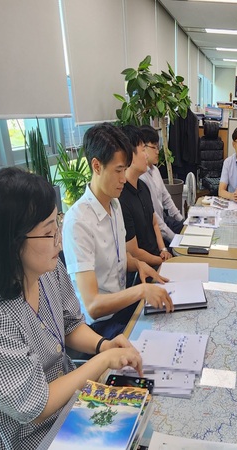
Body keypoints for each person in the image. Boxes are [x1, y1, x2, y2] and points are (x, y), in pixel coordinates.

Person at [0, 167, 143, 449]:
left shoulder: (45, 267)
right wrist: (101, 361)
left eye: (57, 225)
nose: (59, 241)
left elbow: (70, 324)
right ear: (13, 244)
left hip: (61, 401)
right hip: (10, 434)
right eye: (49, 232)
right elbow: (34, 407)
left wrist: (104, 346)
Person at [63, 123, 173, 340]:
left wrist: (139, 264)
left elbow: (118, 258)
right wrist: (141, 291)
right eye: (118, 170)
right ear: (96, 166)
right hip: (100, 326)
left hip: (124, 306)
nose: (124, 178)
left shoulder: (114, 205)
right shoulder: (78, 222)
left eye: (125, 170)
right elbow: (93, 305)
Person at [119, 125, 172, 268]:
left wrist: (163, 250)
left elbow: (154, 222)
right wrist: (162, 261)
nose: (147, 155)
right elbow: (134, 252)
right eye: (143, 150)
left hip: (158, 258)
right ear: (130, 155)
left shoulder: (143, 187)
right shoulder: (121, 198)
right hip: (143, 269)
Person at [139, 125, 184, 245]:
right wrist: (174, 238)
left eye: (158, 147)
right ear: (142, 148)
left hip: (164, 219)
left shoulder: (155, 170)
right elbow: (156, 221)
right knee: (180, 244)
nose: (157, 152)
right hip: (154, 229)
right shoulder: (140, 178)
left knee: (188, 230)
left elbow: (166, 198)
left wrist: (181, 220)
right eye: (154, 147)